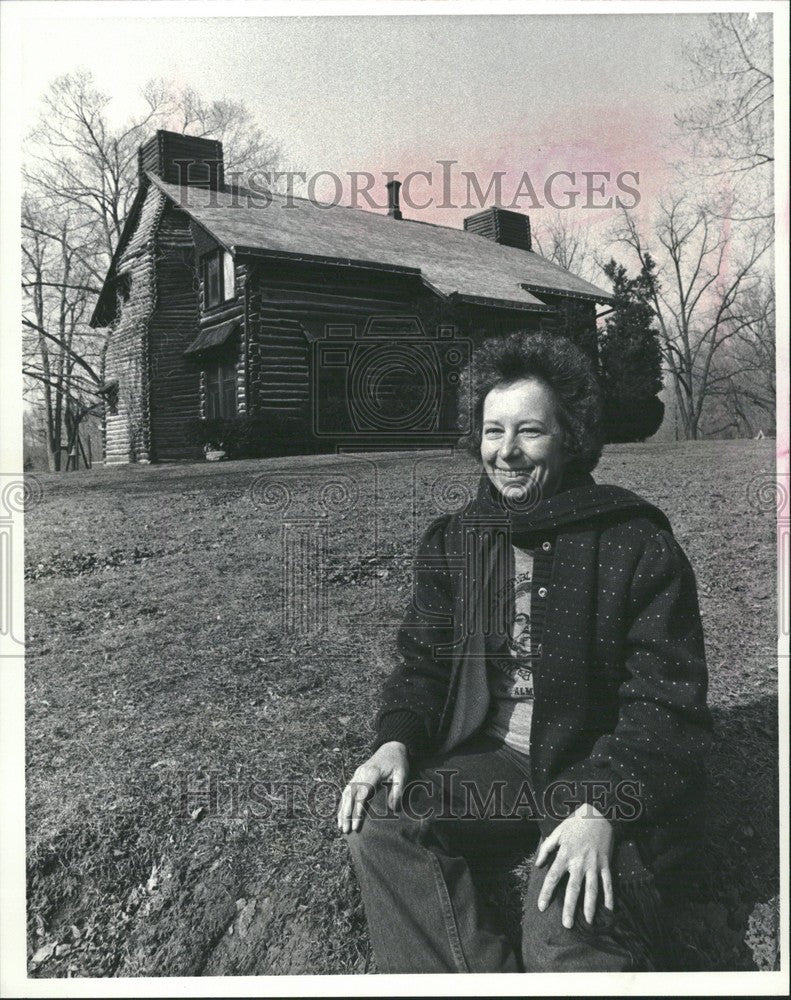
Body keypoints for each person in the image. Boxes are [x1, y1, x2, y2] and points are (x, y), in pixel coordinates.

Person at [337, 331, 712, 973]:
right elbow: (423, 663)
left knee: (563, 916)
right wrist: (396, 738)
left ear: (571, 436)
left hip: (592, 765)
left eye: (530, 432)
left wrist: (604, 802)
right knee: (385, 819)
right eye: (492, 431)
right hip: (501, 768)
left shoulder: (635, 543)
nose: (506, 453)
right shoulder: (456, 540)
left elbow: (665, 703)